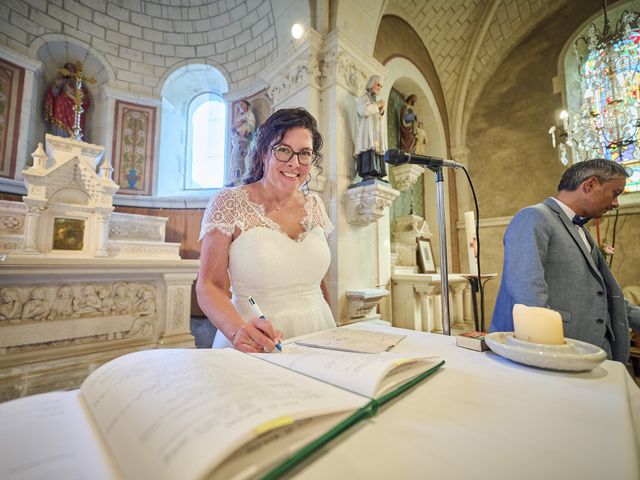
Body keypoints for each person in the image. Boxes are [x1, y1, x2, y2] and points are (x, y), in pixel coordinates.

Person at [197, 108, 336, 353]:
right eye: (283, 150)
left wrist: (334, 329)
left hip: (320, 332)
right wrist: (237, 329)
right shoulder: (229, 202)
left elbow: (316, 279)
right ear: (263, 153)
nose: (295, 163)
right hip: (255, 338)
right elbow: (209, 285)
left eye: (304, 153)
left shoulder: (315, 204)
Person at [491, 159, 631, 362]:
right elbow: (528, 292)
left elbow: (603, 293)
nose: (616, 203)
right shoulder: (534, 217)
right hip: (555, 351)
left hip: (590, 351)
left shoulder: (580, 229)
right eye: (615, 193)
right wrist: (547, 355)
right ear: (589, 184)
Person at [43, 62, 91, 139]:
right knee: (61, 100)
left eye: (73, 69)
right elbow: (54, 93)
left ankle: (75, 135)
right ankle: (60, 135)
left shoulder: (79, 84)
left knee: (78, 111)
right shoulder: (62, 81)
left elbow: (86, 102)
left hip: (75, 106)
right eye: (69, 69)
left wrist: (82, 96)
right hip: (63, 105)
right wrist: (57, 85)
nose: (71, 71)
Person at [354, 75, 387, 180]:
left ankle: (377, 172)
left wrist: (381, 112)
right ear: (371, 84)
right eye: (378, 85)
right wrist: (377, 105)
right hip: (367, 133)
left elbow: (377, 118)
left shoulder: (374, 100)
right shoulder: (364, 98)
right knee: (369, 148)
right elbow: (363, 111)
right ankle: (367, 172)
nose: (379, 88)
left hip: (376, 134)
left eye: (381, 86)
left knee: (377, 149)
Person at [226, 100, 256, 186]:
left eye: (243, 105)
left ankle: (243, 176)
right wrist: (235, 129)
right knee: (234, 158)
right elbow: (233, 129)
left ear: (247, 105)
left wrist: (243, 130)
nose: (241, 107)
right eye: (240, 106)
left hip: (245, 141)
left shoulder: (249, 115)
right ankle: (234, 176)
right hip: (237, 141)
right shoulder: (240, 117)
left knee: (244, 159)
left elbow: (251, 126)